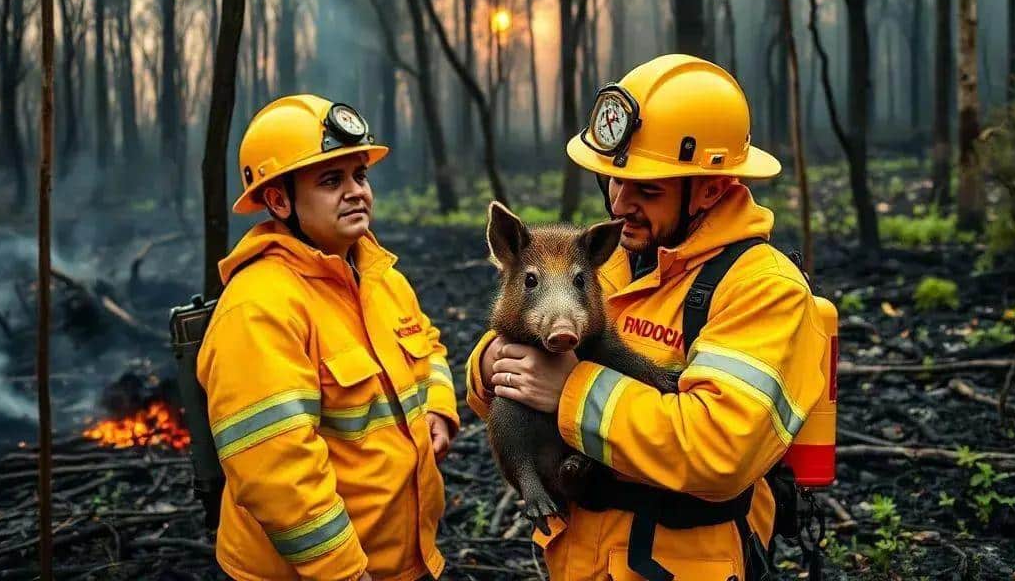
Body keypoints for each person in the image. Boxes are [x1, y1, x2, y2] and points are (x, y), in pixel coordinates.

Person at [466, 54, 830, 580]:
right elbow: (503, 373)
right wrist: (492, 361)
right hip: (579, 560)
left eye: (648, 189)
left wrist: (568, 391)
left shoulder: (762, 289)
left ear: (711, 187)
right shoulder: (605, 259)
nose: (619, 203)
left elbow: (719, 451)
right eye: (615, 179)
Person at [198, 95, 458, 581]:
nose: (356, 191)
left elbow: (429, 346)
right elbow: (278, 472)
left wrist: (440, 405)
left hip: (404, 562)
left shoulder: (381, 278)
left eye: (360, 175)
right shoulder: (259, 307)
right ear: (278, 200)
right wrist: (341, 570)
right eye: (330, 180)